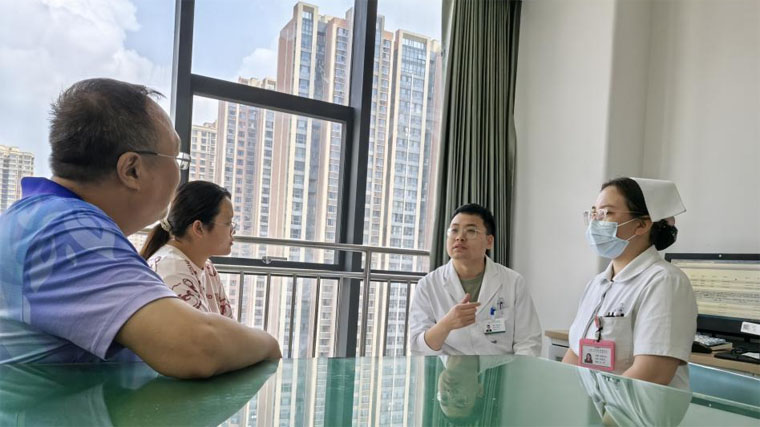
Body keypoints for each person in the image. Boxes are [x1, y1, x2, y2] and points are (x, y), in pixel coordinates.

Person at [0, 78, 280, 378]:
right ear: (132, 170)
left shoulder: (39, 218)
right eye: (176, 157)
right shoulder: (66, 230)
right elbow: (197, 347)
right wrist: (269, 344)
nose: (179, 172)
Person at [562, 177, 697, 389]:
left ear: (642, 224)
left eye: (606, 213)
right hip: (592, 404)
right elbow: (575, 353)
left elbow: (653, 373)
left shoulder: (664, 282)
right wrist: (560, 394)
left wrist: (601, 409)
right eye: (594, 213)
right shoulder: (597, 284)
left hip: (632, 409)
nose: (595, 222)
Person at [409, 203, 542, 356]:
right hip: (449, 370)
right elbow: (418, 346)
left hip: (502, 369)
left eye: (471, 231)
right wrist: (446, 324)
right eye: (454, 230)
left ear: (489, 241)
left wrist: (514, 371)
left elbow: (529, 342)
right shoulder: (428, 285)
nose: (459, 237)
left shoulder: (513, 282)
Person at [141, 181, 235, 318]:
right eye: (228, 223)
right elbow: (199, 331)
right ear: (199, 228)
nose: (233, 230)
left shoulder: (207, 267)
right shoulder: (171, 270)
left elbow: (229, 325)